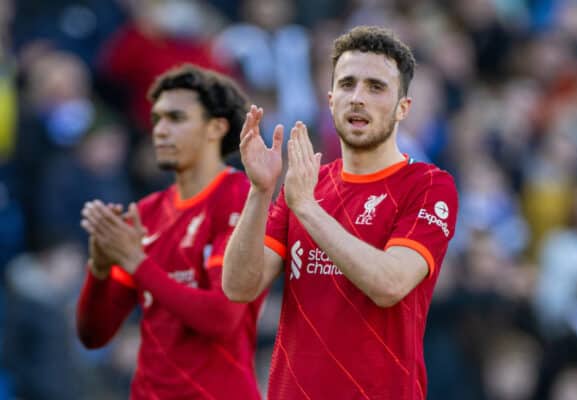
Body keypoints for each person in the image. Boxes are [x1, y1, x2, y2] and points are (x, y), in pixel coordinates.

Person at [223, 25, 459, 399]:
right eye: (347, 85)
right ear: (330, 99)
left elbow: (389, 285)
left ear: (403, 108)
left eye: (376, 87)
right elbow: (238, 287)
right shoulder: (304, 185)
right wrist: (260, 192)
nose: (357, 98)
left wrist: (308, 209)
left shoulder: (428, 185)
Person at [76, 64, 264, 400]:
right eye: (157, 119)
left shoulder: (240, 198)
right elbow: (94, 335)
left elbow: (223, 317)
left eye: (176, 119)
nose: (160, 131)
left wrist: (136, 261)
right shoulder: (147, 213)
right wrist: (100, 268)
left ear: (216, 128)